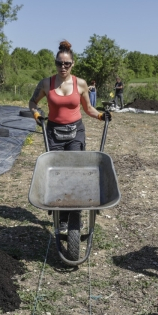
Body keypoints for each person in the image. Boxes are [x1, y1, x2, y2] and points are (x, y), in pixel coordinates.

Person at [29, 40, 111, 233]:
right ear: (55, 63)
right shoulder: (46, 84)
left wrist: (100, 115)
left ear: (72, 64)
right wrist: (37, 114)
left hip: (75, 132)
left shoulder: (80, 84)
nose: (63, 67)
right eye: (59, 63)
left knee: (74, 173)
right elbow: (32, 102)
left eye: (66, 63)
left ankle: (75, 213)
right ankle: (62, 217)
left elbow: (88, 109)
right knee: (57, 174)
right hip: (54, 132)